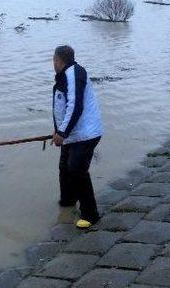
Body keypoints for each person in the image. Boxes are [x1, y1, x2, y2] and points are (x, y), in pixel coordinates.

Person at [52, 45, 103, 228]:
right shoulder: (64, 76)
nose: (53, 64)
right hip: (72, 134)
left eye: (54, 61)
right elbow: (62, 107)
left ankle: (90, 214)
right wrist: (58, 130)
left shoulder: (73, 73)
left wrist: (62, 132)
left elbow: (75, 105)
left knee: (76, 170)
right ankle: (67, 203)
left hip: (86, 134)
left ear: (58, 60)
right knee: (64, 168)